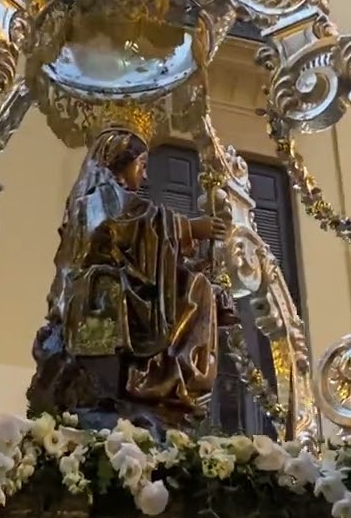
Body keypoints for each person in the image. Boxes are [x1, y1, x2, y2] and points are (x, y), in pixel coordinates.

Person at [26, 127, 236, 434]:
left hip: (131, 289)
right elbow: (128, 225)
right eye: (142, 165)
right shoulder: (95, 201)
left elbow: (142, 252)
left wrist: (194, 260)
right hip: (99, 292)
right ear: (120, 163)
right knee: (120, 293)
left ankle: (182, 379)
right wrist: (190, 227)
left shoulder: (118, 205)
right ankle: (136, 386)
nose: (146, 177)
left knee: (197, 287)